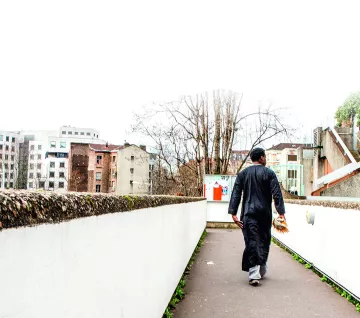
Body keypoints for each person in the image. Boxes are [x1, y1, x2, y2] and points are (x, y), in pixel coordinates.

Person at [228, 147, 286, 286]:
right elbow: (277, 194)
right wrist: (281, 212)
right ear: (261, 158)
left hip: (248, 214)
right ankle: (261, 269)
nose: (265, 159)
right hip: (264, 214)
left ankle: (255, 273)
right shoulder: (269, 173)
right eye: (264, 156)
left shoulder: (243, 174)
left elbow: (236, 193)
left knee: (251, 242)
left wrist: (233, 213)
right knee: (264, 240)